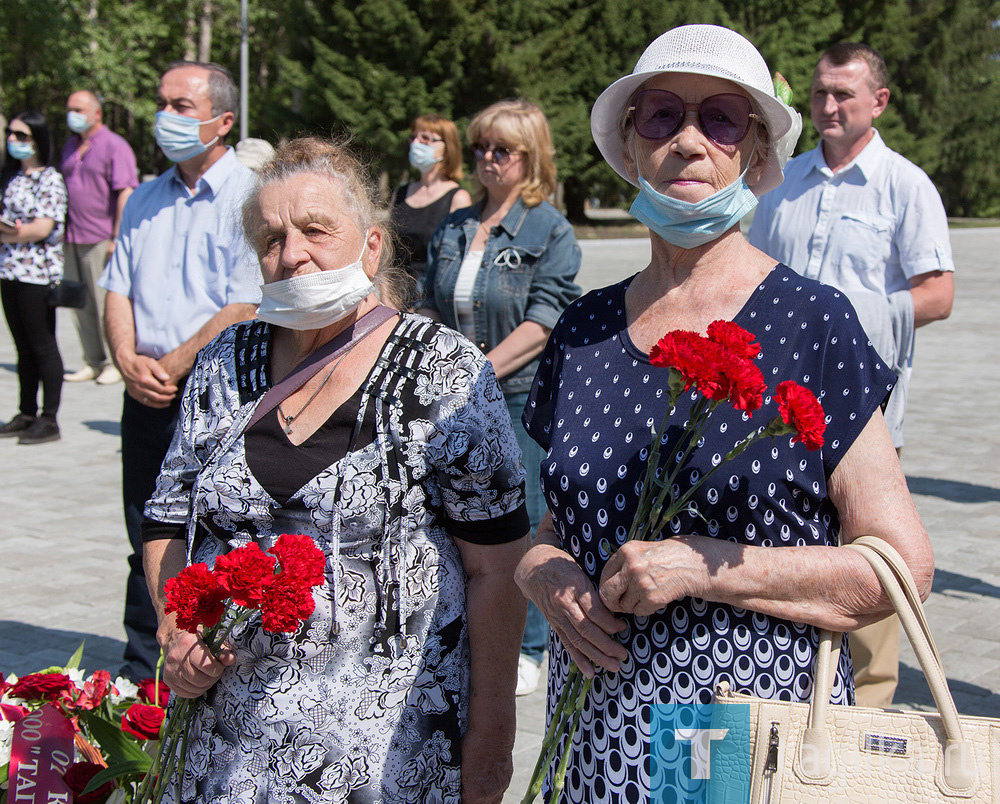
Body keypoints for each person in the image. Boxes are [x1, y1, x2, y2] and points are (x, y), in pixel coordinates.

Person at [514, 24, 935, 802]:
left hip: (735, 739)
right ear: (630, 148)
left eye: (720, 120)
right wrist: (550, 583)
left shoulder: (813, 321)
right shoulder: (585, 329)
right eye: (662, 116)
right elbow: (547, 536)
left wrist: (704, 565)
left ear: (755, 155)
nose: (688, 141)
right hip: (591, 738)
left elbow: (901, 567)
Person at [142, 137, 528, 803]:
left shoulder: (444, 371)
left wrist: (492, 734)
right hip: (226, 756)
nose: (293, 254)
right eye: (271, 238)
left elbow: (496, 568)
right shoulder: (223, 364)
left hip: (387, 761)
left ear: (371, 245)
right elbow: (166, 520)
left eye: (316, 230)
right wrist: (175, 623)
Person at [747, 43, 954, 708]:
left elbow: (938, 293)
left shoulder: (904, 185)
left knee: (871, 559)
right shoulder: (783, 183)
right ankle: (781, 697)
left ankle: (865, 714)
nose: (829, 106)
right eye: (820, 94)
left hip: (864, 414)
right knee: (787, 549)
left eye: (844, 94)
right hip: (778, 412)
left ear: (879, 102)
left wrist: (846, 318)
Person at [100, 61, 260, 681]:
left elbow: (243, 302)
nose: (164, 117)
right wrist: (126, 359)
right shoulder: (144, 195)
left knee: (209, 529)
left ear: (223, 121)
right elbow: (117, 286)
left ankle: (209, 657)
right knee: (143, 528)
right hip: (144, 390)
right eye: (162, 102)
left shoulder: (248, 194)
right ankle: (143, 668)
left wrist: (169, 365)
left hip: (213, 389)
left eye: (180, 106)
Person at [418, 99, 582, 696]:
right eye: (482, 145)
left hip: (516, 395)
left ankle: (531, 643)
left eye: (502, 149)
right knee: (454, 511)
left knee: (523, 516)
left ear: (530, 157)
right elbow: (430, 301)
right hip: (452, 399)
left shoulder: (549, 229)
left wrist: (471, 371)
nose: (487, 158)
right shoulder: (457, 225)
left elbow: (543, 322)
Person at [60, 90, 139, 385]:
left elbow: (125, 192)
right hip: (71, 236)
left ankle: (115, 361)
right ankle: (92, 360)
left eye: (78, 109)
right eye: (69, 108)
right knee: (78, 303)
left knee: (104, 302)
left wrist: (117, 237)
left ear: (96, 113)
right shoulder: (70, 145)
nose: (72, 114)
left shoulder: (113, 146)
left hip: (101, 237)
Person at [0, 112, 68, 445]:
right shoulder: (11, 177)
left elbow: (42, 228)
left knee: (43, 346)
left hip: (37, 276)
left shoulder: (50, 179)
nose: (13, 140)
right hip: (9, 270)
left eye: (21, 135)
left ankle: (49, 418)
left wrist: (15, 234)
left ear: (38, 139)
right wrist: (17, 234)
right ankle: (26, 412)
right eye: (10, 134)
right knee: (22, 347)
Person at [390, 114, 471, 284]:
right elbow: (389, 255)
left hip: (432, 299)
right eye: (414, 137)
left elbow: (456, 262)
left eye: (426, 138)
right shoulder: (401, 193)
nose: (416, 143)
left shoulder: (458, 198)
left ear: (447, 148)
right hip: (394, 296)